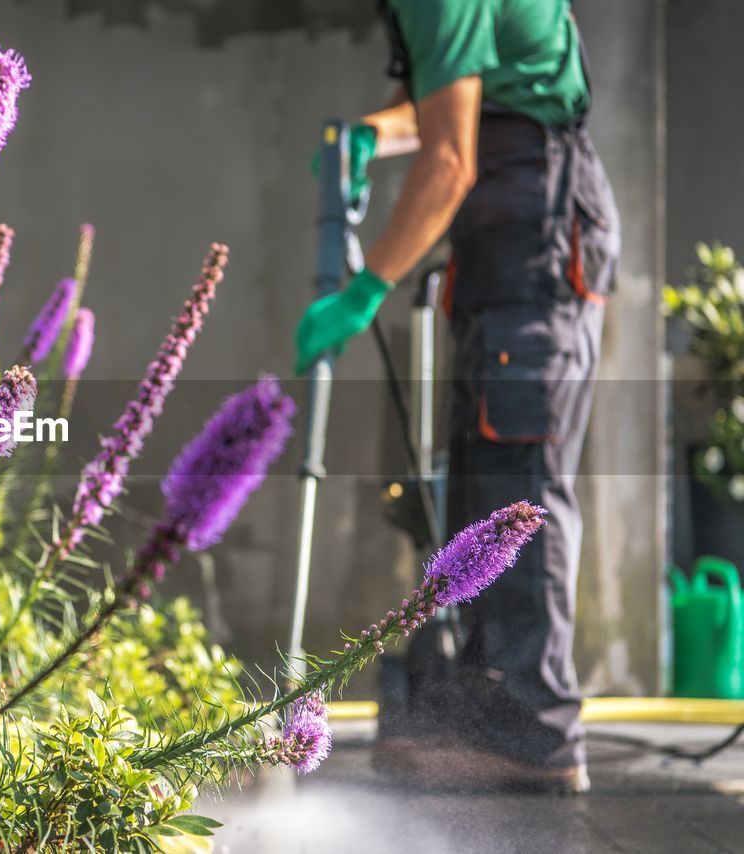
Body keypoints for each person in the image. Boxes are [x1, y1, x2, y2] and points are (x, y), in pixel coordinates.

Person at [294, 0, 620, 793]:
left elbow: (450, 161)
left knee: (520, 480)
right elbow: (463, 99)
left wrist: (367, 287)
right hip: (504, 230)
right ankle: (486, 708)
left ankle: (537, 729)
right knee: (479, 471)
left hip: (536, 224)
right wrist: (377, 130)